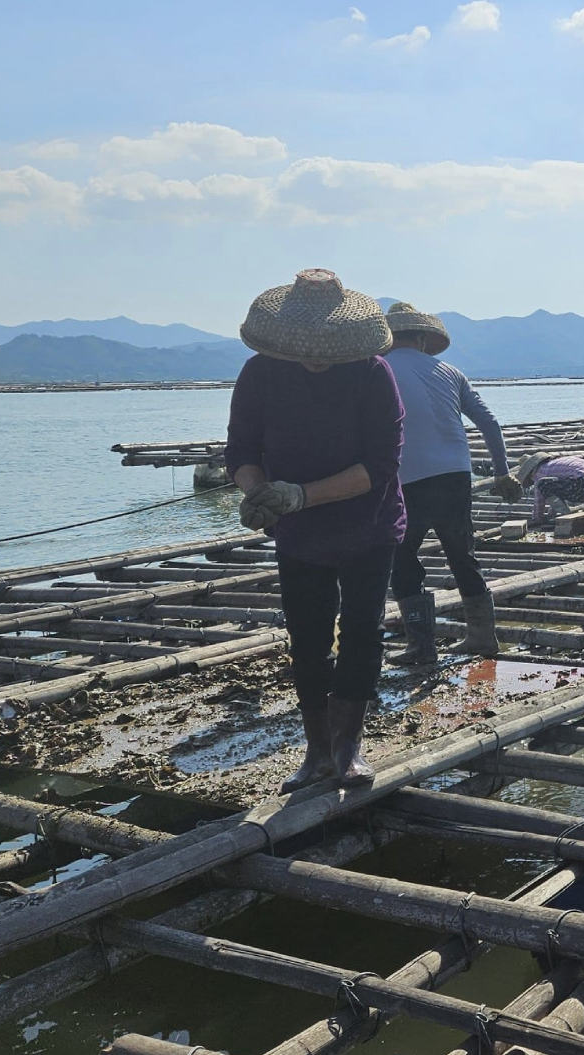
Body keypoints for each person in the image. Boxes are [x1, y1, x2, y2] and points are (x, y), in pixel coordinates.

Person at [224, 269, 404, 792]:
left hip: (368, 525)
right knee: (306, 638)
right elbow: (241, 449)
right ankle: (317, 750)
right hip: (299, 534)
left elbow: (380, 466)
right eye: (308, 348)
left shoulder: (373, 375)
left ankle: (350, 747)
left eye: (330, 348)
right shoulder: (261, 374)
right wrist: (257, 492)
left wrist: (301, 495)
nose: (318, 357)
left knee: (363, 632)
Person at [382, 302, 522, 666]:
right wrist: (501, 471)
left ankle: (421, 646)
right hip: (455, 476)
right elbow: (488, 422)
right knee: (462, 556)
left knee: (403, 558)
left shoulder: (380, 370)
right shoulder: (449, 371)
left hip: (407, 479)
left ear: (389, 338)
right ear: (423, 339)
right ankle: (482, 637)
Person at [515, 452, 584, 525]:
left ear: (530, 472)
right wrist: (551, 513)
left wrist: (537, 518)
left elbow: (539, 501)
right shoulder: (555, 463)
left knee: (542, 484)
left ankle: (566, 515)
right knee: (578, 480)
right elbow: (556, 493)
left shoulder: (540, 472)